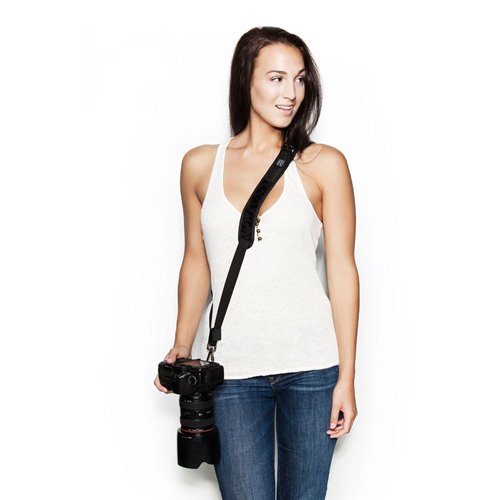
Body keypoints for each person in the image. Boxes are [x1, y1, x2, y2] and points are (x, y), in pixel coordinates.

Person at [155, 26, 359, 500]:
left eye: (300, 79)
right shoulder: (200, 165)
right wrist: (182, 342)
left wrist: (347, 377)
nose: (291, 93)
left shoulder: (323, 164)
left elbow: (343, 271)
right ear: (245, 79)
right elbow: (197, 261)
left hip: (312, 369)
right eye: (276, 78)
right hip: (232, 370)